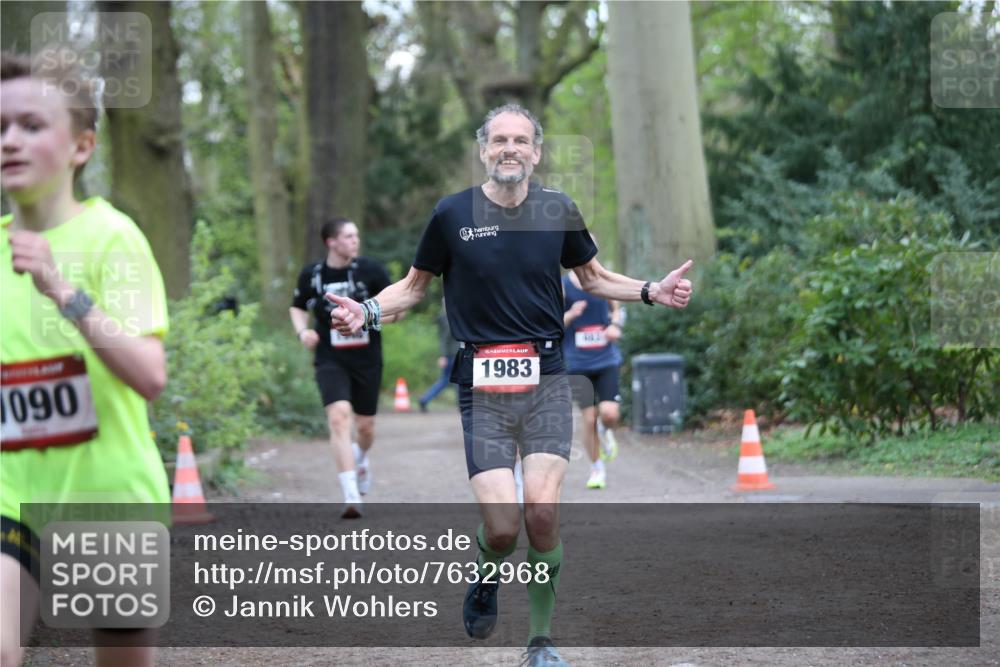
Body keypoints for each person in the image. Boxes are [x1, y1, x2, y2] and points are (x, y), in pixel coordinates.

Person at [325, 103, 693, 667]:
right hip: (482, 388)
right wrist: (367, 311)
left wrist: (651, 290)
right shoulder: (451, 214)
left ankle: (540, 642)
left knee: (541, 514)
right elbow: (414, 287)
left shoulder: (558, 209)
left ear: (536, 152)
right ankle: (486, 574)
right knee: (501, 528)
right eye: (499, 140)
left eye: (521, 140)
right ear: (483, 150)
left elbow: (593, 277)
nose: (510, 149)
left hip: (547, 379)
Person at [1, 50, 169, 667]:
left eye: (31, 125)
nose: (10, 141)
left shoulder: (113, 237)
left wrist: (59, 288)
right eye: (0, 127)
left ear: (82, 146)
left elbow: (150, 375)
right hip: (12, 492)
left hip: (108, 497)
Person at [289, 217, 393, 518]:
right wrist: (302, 332)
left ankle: (361, 457)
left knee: (365, 428)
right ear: (330, 242)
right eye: (348, 236)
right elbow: (297, 306)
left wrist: (369, 316)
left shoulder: (371, 271)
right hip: (330, 357)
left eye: (356, 235)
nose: (355, 241)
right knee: (338, 417)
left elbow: (396, 310)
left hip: (367, 358)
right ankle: (351, 496)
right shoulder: (312, 275)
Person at [563, 264, 624, 490]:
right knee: (588, 418)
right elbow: (552, 323)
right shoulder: (562, 286)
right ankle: (597, 467)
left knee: (609, 414)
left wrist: (615, 326)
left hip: (606, 359)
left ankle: (604, 429)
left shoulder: (601, 280)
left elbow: (616, 310)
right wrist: (570, 315)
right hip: (577, 363)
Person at [418, 299, 459, 413]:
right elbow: (444, 339)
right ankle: (462, 405)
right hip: (452, 354)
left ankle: (424, 399)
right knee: (455, 380)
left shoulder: (444, 317)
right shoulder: (448, 318)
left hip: (452, 354)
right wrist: (443, 355)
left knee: (446, 380)